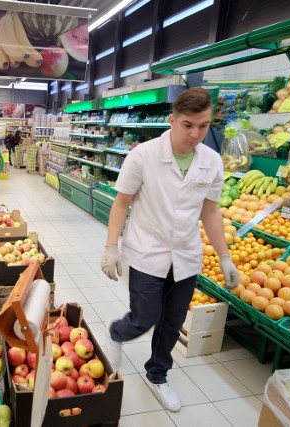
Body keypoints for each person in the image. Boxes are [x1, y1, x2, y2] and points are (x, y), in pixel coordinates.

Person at [100, 88, 239, 412]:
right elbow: (122, 202)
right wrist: (111, 247)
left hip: (186, 255)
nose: (195, 134)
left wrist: (225, 256)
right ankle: (118, 332)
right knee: (146, 316)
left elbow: (210, 212)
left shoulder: (211, 161)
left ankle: (157, 374)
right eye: (188, 125)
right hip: (147, 251)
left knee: (172, 322)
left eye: (203, 126)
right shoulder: (143, 155)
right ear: (172, 120)